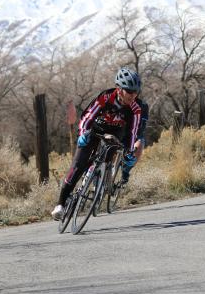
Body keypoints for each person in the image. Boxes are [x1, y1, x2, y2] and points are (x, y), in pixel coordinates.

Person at [51, 67, 143, 220]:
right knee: (78, 165)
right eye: (129, 91)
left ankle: (99, 179)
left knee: (110, 152)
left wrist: (129, 151)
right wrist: (83, 134)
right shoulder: (105, 97)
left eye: (136, 92)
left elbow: (133, 132)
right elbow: (87, 117)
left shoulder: (135, 109)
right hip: (95, 130)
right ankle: (60, 204)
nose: (133, 95)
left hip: (116, 134)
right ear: (119, 89)